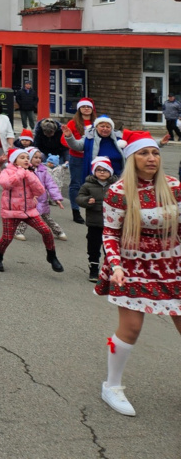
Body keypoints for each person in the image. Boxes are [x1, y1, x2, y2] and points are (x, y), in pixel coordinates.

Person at [92, 131, 181, 417]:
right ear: (132, 158)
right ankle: (112, 385)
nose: (151, 158)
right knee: (130, 329)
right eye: (144, 153)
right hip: (131, 266)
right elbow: (110, 232)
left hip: (173, 265)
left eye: (155, 153)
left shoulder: (175, 187)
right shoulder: (119, 191)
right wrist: (115, 265)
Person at [0, 148, 61, 273]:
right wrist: (20, 173)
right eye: (22, 158)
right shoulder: (6, 172)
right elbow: (5, 184)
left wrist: (29, 175)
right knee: (7, 238)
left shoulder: (30, 173)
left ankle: (51, 256)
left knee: (46, 231)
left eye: (27, 158)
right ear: (15, 160)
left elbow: (40, 190)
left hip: (29, 210)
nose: (26, 160)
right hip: (11, 211)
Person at [77, 157, 116, 282]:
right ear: (94, 171)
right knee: (93, 246)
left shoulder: (116, 185)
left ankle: (109, 270)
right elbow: (79, 198)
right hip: (94, 222)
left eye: (105, 170)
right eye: (99, 170)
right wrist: (87, 200)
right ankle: (93, 268)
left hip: (112, 223)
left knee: (109, 247)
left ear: (111, 171)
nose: (102, 172)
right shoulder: (88, 185)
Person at [63, 98, 96, 224]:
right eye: (83, 107)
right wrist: (78, 147)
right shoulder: (72, 123)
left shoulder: (97, 122)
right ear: (79, 109)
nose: (86, 109)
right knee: (76, 184)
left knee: (93, 184)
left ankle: (93, 210)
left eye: (88, 106)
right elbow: (64, 139)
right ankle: (75, 211)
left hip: (93, 158)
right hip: (77, 158)